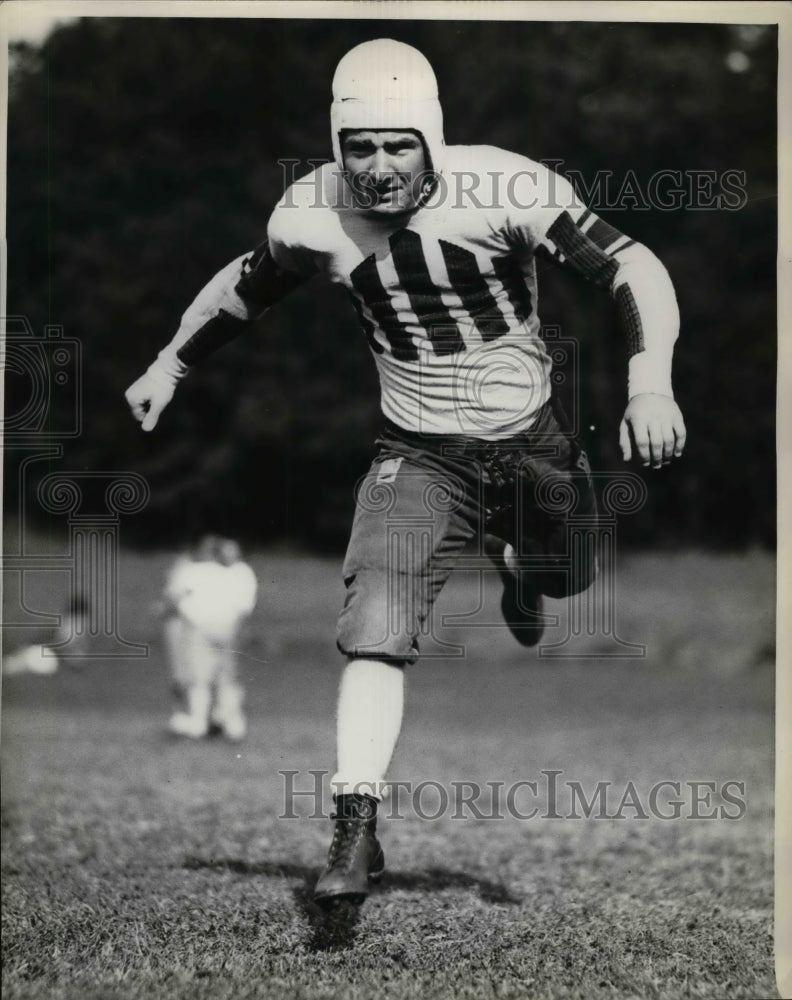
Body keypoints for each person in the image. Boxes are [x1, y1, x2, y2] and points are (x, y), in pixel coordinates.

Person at [125, 39, 686, 904]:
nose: (380, 166)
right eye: (361, 147)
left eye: (398, 144)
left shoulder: (503, 186)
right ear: (336, 145)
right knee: (376, 629)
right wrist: (169, 364)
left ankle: (519, 569)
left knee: (568, 576)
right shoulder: (310, 215)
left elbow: (630, 266)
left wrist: (650, 386)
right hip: (416, 453)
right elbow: (246, 285)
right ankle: (354, 827)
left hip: (530, 442)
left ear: (431, 138)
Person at [160, 535, 257, 741]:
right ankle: (224, 722)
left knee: (206, 678)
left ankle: (207, 721)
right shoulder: (235, 573)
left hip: (206, 628)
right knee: (221, 678)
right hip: (222, 627)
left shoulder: (197, 571)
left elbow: (175, 598)